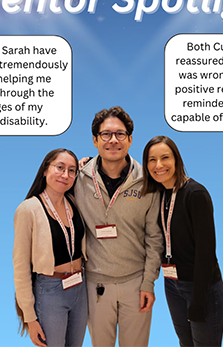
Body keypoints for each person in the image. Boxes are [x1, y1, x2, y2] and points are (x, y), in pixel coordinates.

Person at [74, 106, 163, 347]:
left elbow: (155, 238)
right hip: (94, 284)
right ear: (95, 140)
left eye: (120, 134)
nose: (113, 140)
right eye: (106, 134)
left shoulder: (148, 181)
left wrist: (148, 283)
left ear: (130, 139)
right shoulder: (78, 178)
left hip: (136, 284)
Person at [142, 136, 223, 347]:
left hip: (201, 287)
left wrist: (199, 299)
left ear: (177, 160)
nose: (158, 165)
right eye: (152, 160)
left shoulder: (195, 194)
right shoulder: (158, 194)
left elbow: (206, 252)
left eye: (165, 158)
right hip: (172, 285)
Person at [13, 149, 87, 347]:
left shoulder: (74, 202)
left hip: (80, 287)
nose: (65, 175)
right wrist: (30, 318)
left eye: (71, 171)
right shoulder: (28, 209)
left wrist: (83, 165)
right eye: (60, 168)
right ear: (45, 170)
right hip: (51, 291)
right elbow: (20, 267)